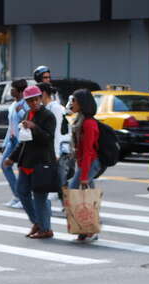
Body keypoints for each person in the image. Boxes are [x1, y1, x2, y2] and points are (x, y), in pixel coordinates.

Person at [3, 85, 56, 239]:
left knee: (40, 198)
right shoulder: (27, 113)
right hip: (26, 162)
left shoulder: (48, 116)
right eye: (30, 101)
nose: (34, 103)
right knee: (22, 192)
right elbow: (23, 140)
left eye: (36, 100)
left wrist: (35, 127)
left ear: (41, 98)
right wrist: (11, 158)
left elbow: (48, 139)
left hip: (42, 163)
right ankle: (37, 222)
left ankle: (45, 229)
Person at [68, 88, 101, 241]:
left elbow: (88, 151)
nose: (71, 103)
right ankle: (88, 228)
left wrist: (84, 175)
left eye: (74, 100)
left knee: (74, 192)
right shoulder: (80, 119)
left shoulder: (88, 124)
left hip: (89, 163)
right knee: (88, 198)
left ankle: (88, 229)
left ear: (82, 103)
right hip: (84, 163)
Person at [0, 79, 29, 209]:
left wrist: (21, 111)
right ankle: (17, 195)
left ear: (19, 91)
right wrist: (5, 143)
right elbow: (10, 126)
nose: (11, 91)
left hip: (21, 141)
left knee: (22, 169)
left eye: (13, 89)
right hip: (12, 140)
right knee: (4, 165)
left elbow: (27, 121)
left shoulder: (25, 105)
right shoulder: (13, 105)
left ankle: (22, 197)